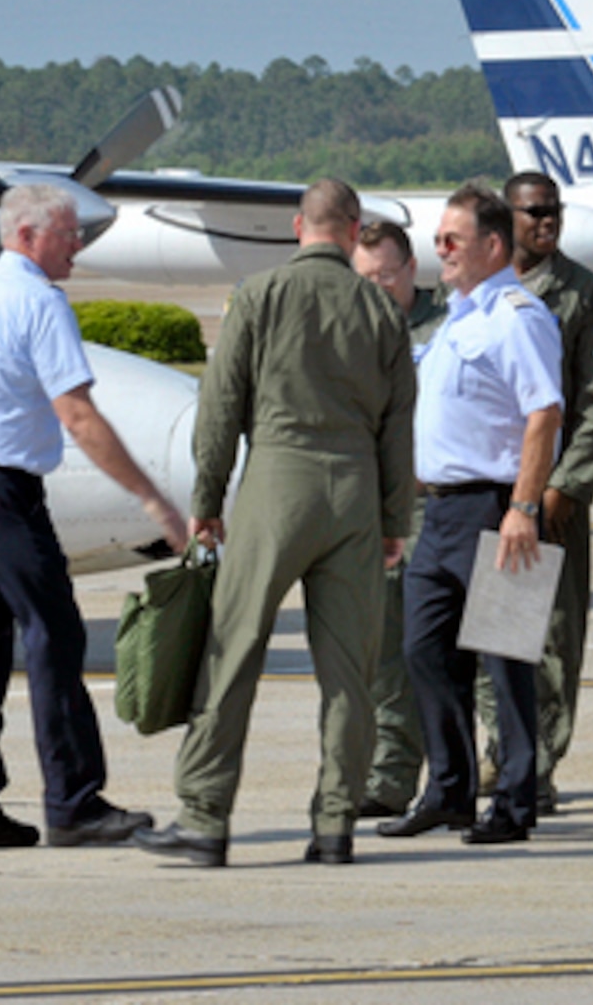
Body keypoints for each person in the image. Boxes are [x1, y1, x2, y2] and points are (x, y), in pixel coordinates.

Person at [133, 180, 415, 868]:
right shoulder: (380, 313)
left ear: (298, 227)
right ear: (352, 231)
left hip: (276, 480)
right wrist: (391, 518)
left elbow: (220, 404)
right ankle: (335, 824)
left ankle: (204, 816)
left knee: (233, 652)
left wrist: (205, 497)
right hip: (352, 490)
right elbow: (398, 426)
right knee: (349, 672)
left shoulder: (257, 297)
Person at [0, 183, 187, 851]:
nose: (78, 245)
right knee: (54, 635)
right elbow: (77, 414)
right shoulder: (38, 302)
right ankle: (73, 804)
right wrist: (152, 498)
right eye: (69, 234)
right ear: (27, 235)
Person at [377, 182, 563, 846]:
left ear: (492, 244)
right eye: (437, 240)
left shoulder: (518, 314)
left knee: (508, 663)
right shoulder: (458, 315)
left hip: (497, 508)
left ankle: (514, 803)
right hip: (440, 514)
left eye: (452, 240)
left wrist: (522, 507)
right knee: (424, 650)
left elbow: (545, 411)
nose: (441, 250)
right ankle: (449, 792)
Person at [474, 171, 593, 814]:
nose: (547, 221)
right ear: (506, 218)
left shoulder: (583, 295)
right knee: (492, 628)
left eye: (553, 211)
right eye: (534, 212)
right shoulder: (482, 288)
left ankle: (537, 764)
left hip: (553, 496)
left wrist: (567, 487)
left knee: (554, 639)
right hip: (489, 486)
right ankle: (501, 749)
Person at [349, 219, 446, 819]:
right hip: (379, 508)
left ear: (412, 270)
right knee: (387, 651)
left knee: (471, 647)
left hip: (444, 502)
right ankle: (390, 776)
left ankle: (500, 769)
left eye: (388, 275)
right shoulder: (349, 330)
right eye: (367, 278)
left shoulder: (447, 326)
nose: (379, 287)